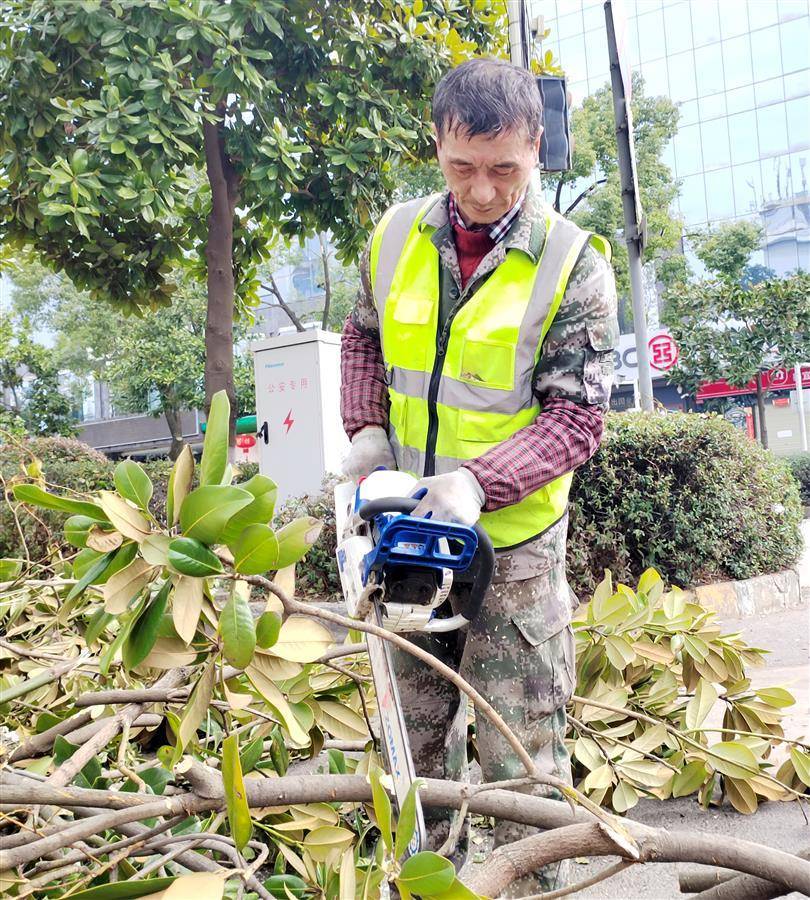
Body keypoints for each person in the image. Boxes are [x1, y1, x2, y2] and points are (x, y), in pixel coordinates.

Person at [339, 57, 618, 896]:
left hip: (513, 551)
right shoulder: (394, 236)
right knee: (409, 758)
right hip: (405, 544)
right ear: (438, 145)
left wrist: (476, 482)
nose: (484, 190)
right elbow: (363, 339)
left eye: (505, 168)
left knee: (522, 768)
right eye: (463, 167)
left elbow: (577, 419)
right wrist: (365, 431)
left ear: (537, 146)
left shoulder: (575, 266)